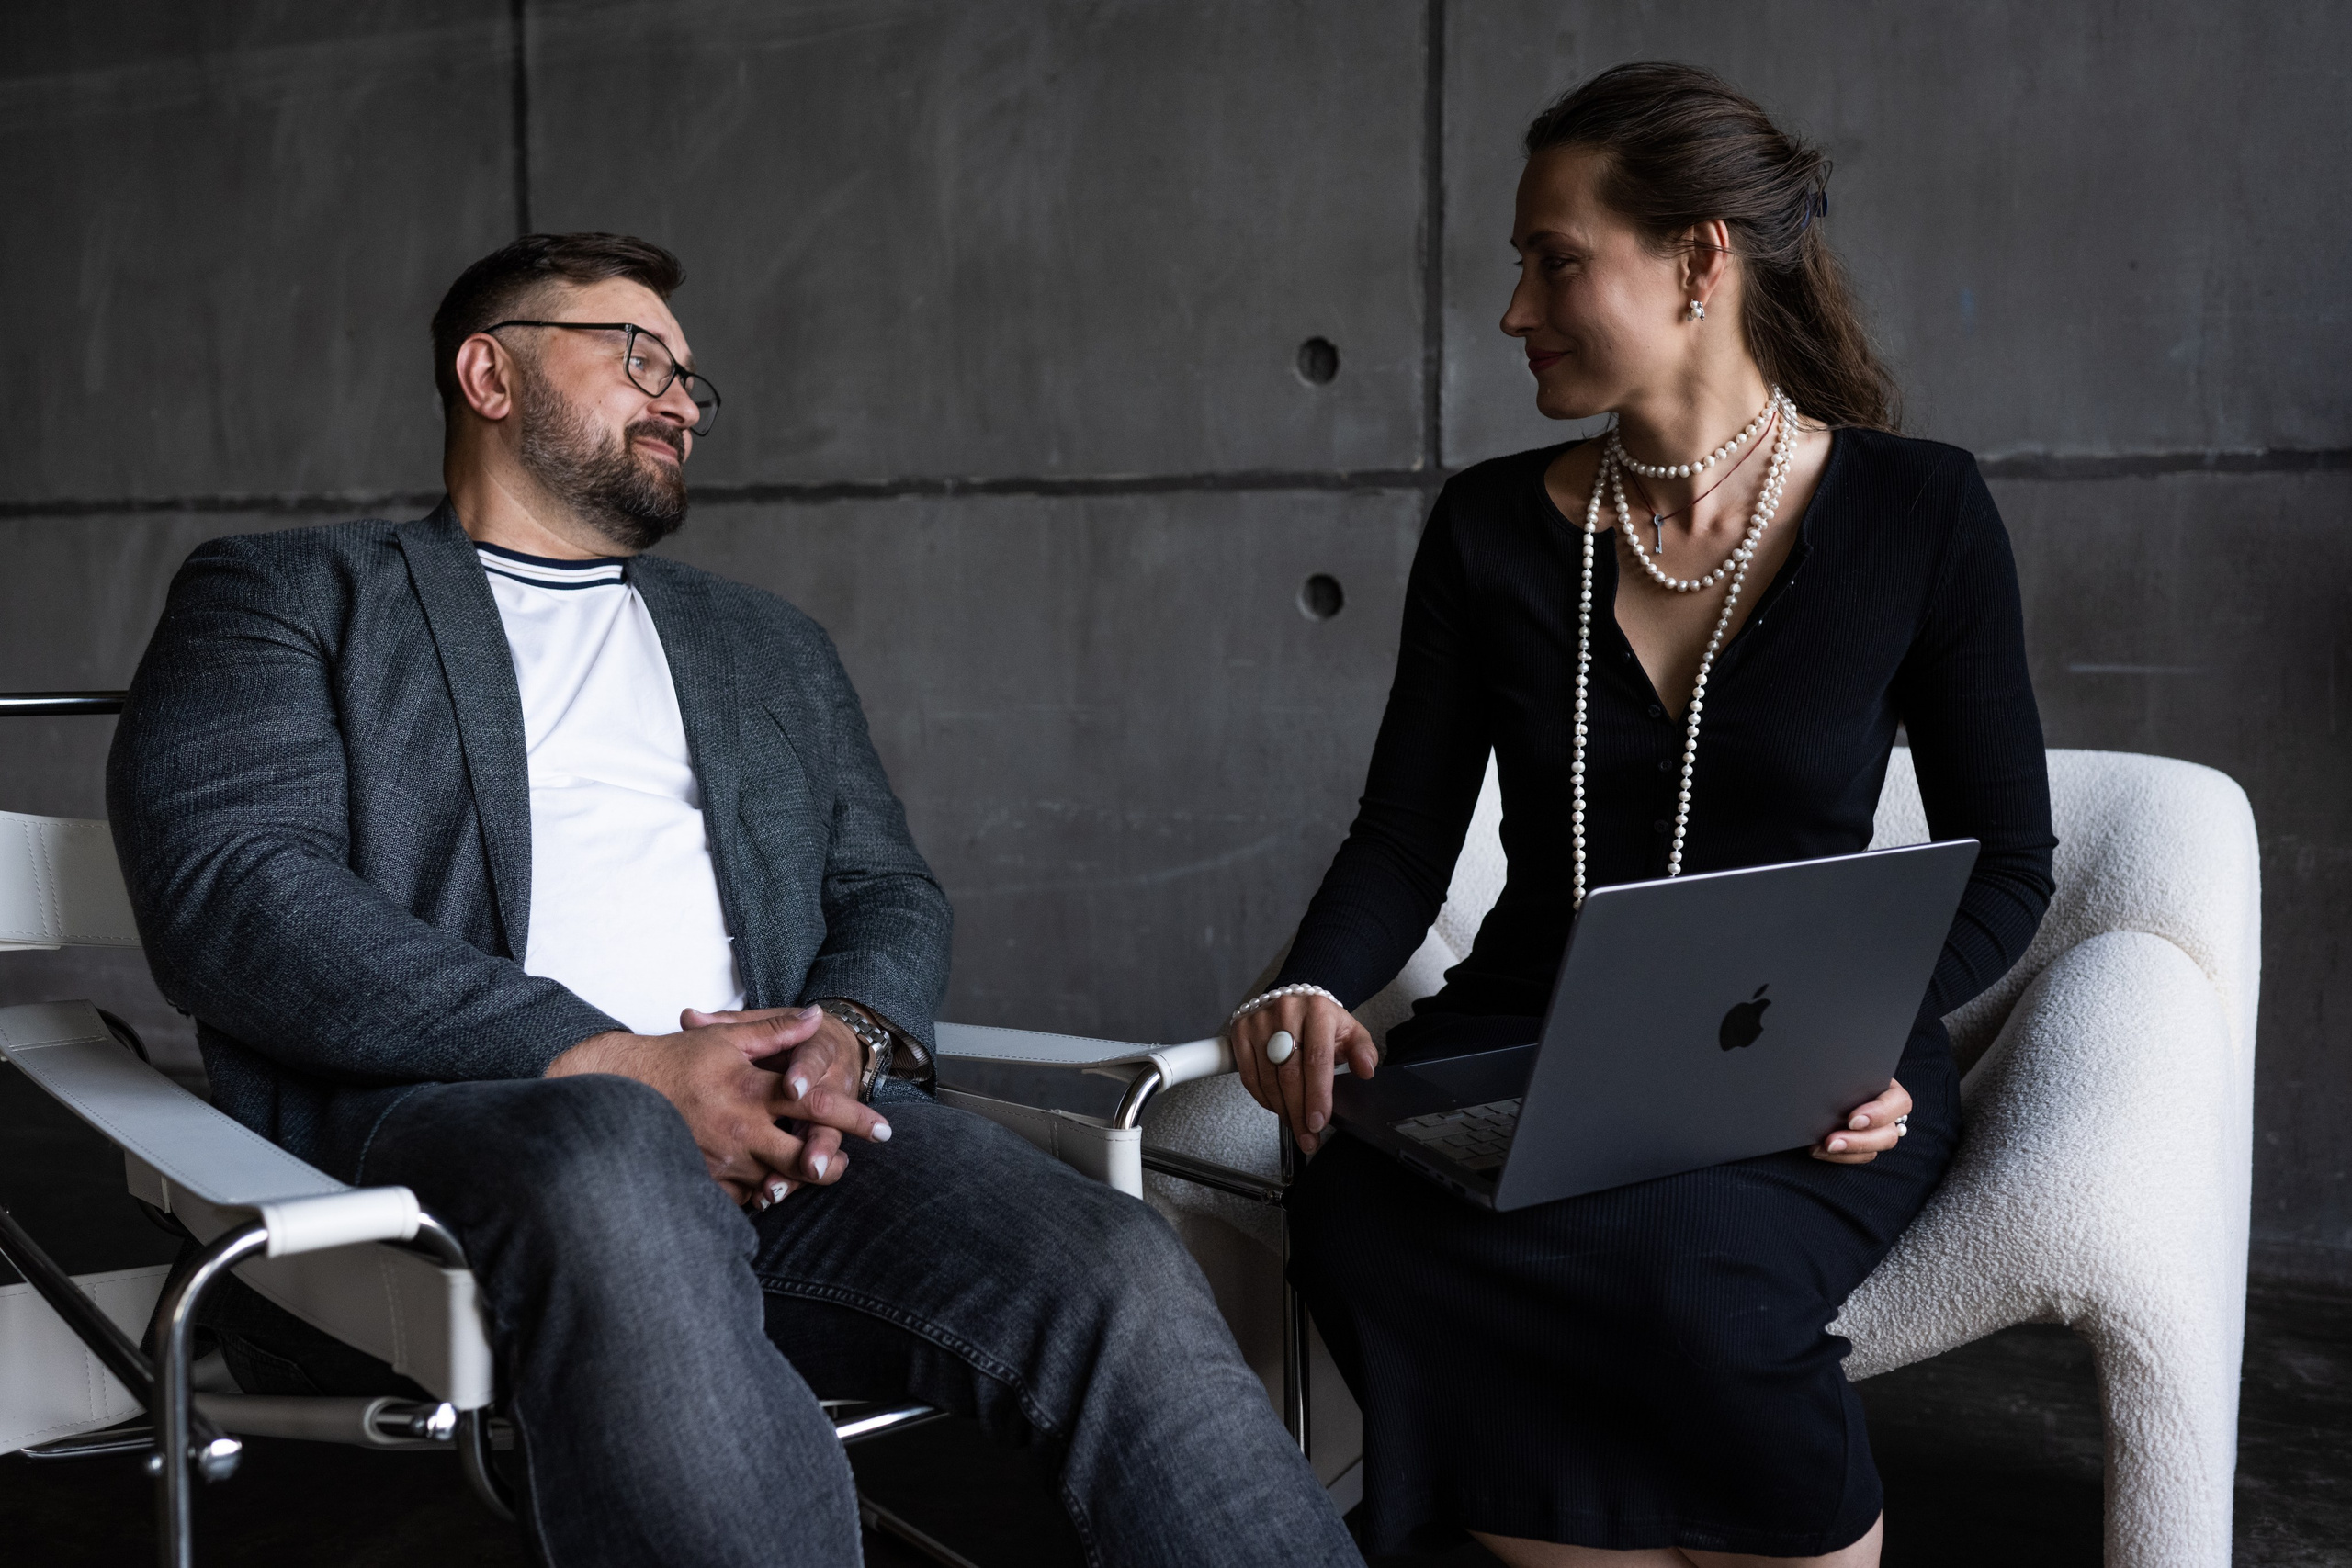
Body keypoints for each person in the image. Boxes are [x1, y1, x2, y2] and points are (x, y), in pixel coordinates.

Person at [108, 232, 1360, 1568]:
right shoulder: (293, 596)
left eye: (694, 382)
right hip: (473, 1126)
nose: (680, 401)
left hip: (798, 1131)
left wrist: (848, 1039)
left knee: (1111, 1268)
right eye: (638, 356)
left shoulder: (765, 643)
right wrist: (621, 1065)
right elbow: (234, 893)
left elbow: (886, 889)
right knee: (616, 1151)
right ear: (488, 372)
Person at [1224, 64, 2055, 1568]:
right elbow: (1408, 832)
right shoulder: (1486, 528)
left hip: (1800, 1057)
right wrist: (1308, 982)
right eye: (1517, 263)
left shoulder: (1921, 510)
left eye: (1555, 259)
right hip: (1527, 1031)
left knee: (1686, 1273)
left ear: (1696, 260)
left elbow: (2010, 861)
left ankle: (1815, 1536)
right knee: (1356, 1204)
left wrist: (1866, 1036)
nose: (1513, 309)